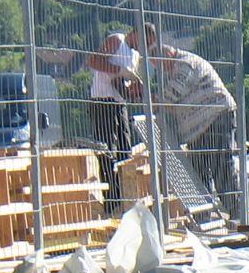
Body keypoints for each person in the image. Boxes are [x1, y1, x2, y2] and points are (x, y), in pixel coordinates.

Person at [141, 24, 237, 199]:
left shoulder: (185, 65)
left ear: (168, 54)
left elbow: (171, 96)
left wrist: (145, 96)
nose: (161, 70)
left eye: (159, 64)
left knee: (221, 167)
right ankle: (207, 212)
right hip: (200, 127)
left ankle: (236, 212)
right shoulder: (175, 68)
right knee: (198, 171)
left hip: (215, 117)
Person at [85, 27, 143, 176]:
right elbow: (93, 61)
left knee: (125, 148)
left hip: (119, 102)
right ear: (135, 34)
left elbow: (120, 84)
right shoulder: (117, 40)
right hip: (102, 100)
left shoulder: (135, 55)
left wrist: (133, 92)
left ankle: (125, 192)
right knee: (107, 149)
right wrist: (119, 71)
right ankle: (111, 194)